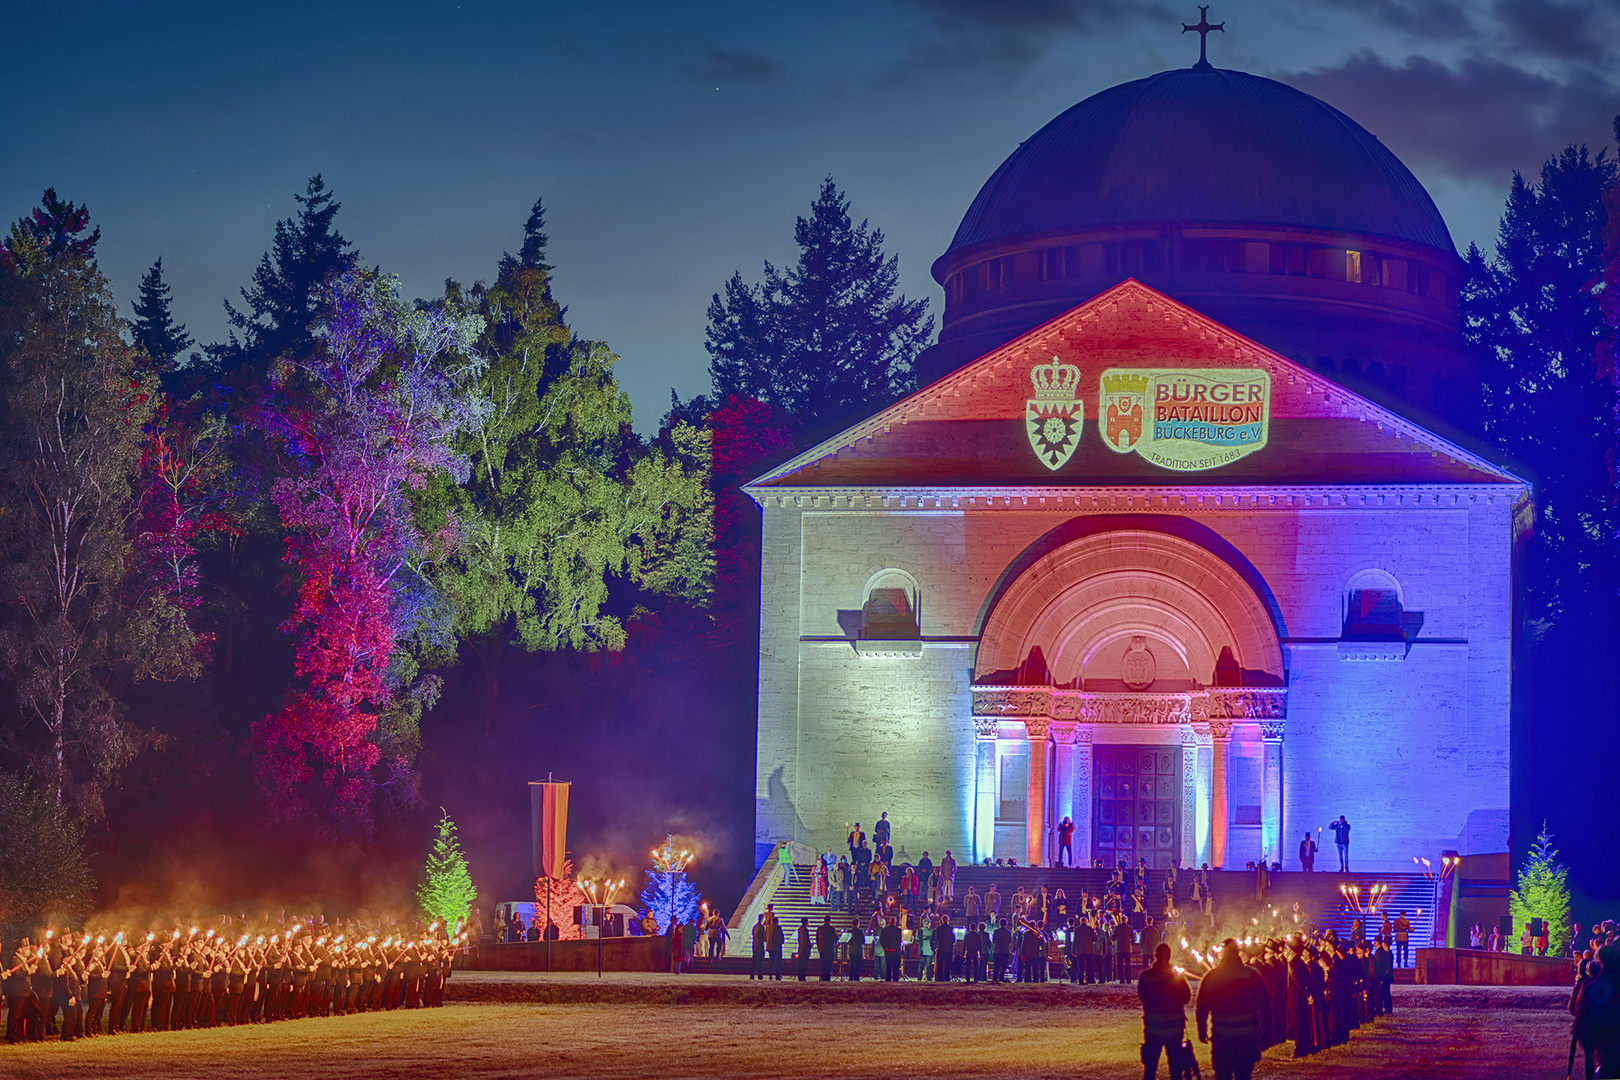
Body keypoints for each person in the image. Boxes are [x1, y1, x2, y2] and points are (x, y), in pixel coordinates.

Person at [1197, 940, 1272, 1080]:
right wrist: (1266, 1034)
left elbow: (1202, 1007)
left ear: (1222, 954)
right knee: (1243, 1075)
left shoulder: (1212, 976)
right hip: (1247, 1038)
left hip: (1222, 1038)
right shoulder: (1251, 975)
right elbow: (1265, 1006)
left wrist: (1202, 1030)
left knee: (1223, 1075)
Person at [1138, 942, 1192, 1080]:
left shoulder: (1146, 976)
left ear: (1155, 956)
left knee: (1150, 1068)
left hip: (1153, 1028)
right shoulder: (1176, 976)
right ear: (1169, 956)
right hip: (1174, 1028)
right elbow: (1186, 997)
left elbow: (1143, 996)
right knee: (1175, 1068)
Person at [815, 916, 838, 981]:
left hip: (822, 948)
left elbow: (817, 938)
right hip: (830, 949)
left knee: (823, 963)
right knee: (829, 964)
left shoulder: (819, 928)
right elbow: (835, 938)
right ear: (830, 921)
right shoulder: (832, 928)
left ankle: (822, 977)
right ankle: (827, 977)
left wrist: (818, 947)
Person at [748, 916, 766, 980]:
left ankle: (752, 975)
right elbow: (764, 937)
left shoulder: (755, 926)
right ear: (762, 919)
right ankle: (760, 975)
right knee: (760, 962)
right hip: (760, 946)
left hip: (755, 945)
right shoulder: (762, 927)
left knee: (754, 961)